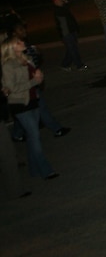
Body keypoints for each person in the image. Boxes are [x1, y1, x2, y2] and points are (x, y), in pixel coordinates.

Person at [2, 35, 58, 181]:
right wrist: (34, 81)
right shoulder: (8, 65)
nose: (22, 43)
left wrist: (39, 77)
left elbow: (35, 75)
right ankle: (46, 170)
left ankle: (34, 169)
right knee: (35, 136)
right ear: (12, 48)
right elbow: (12, 88)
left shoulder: (26, 59)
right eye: (18, 43)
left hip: (33, 100)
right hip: (20, 104)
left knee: (33, 137)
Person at [52, 0, 87, 70]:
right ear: (55, 2)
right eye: (58, 0)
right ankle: (79, 65)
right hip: (66, 33)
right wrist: (66, 4)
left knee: (71, 50)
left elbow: (71, 19)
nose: (60, 1)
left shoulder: (63, 8)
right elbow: (64, 11)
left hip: (71, 31)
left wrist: (76, 29)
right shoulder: (58, 10)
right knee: (73, 50)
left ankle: (65, 64)